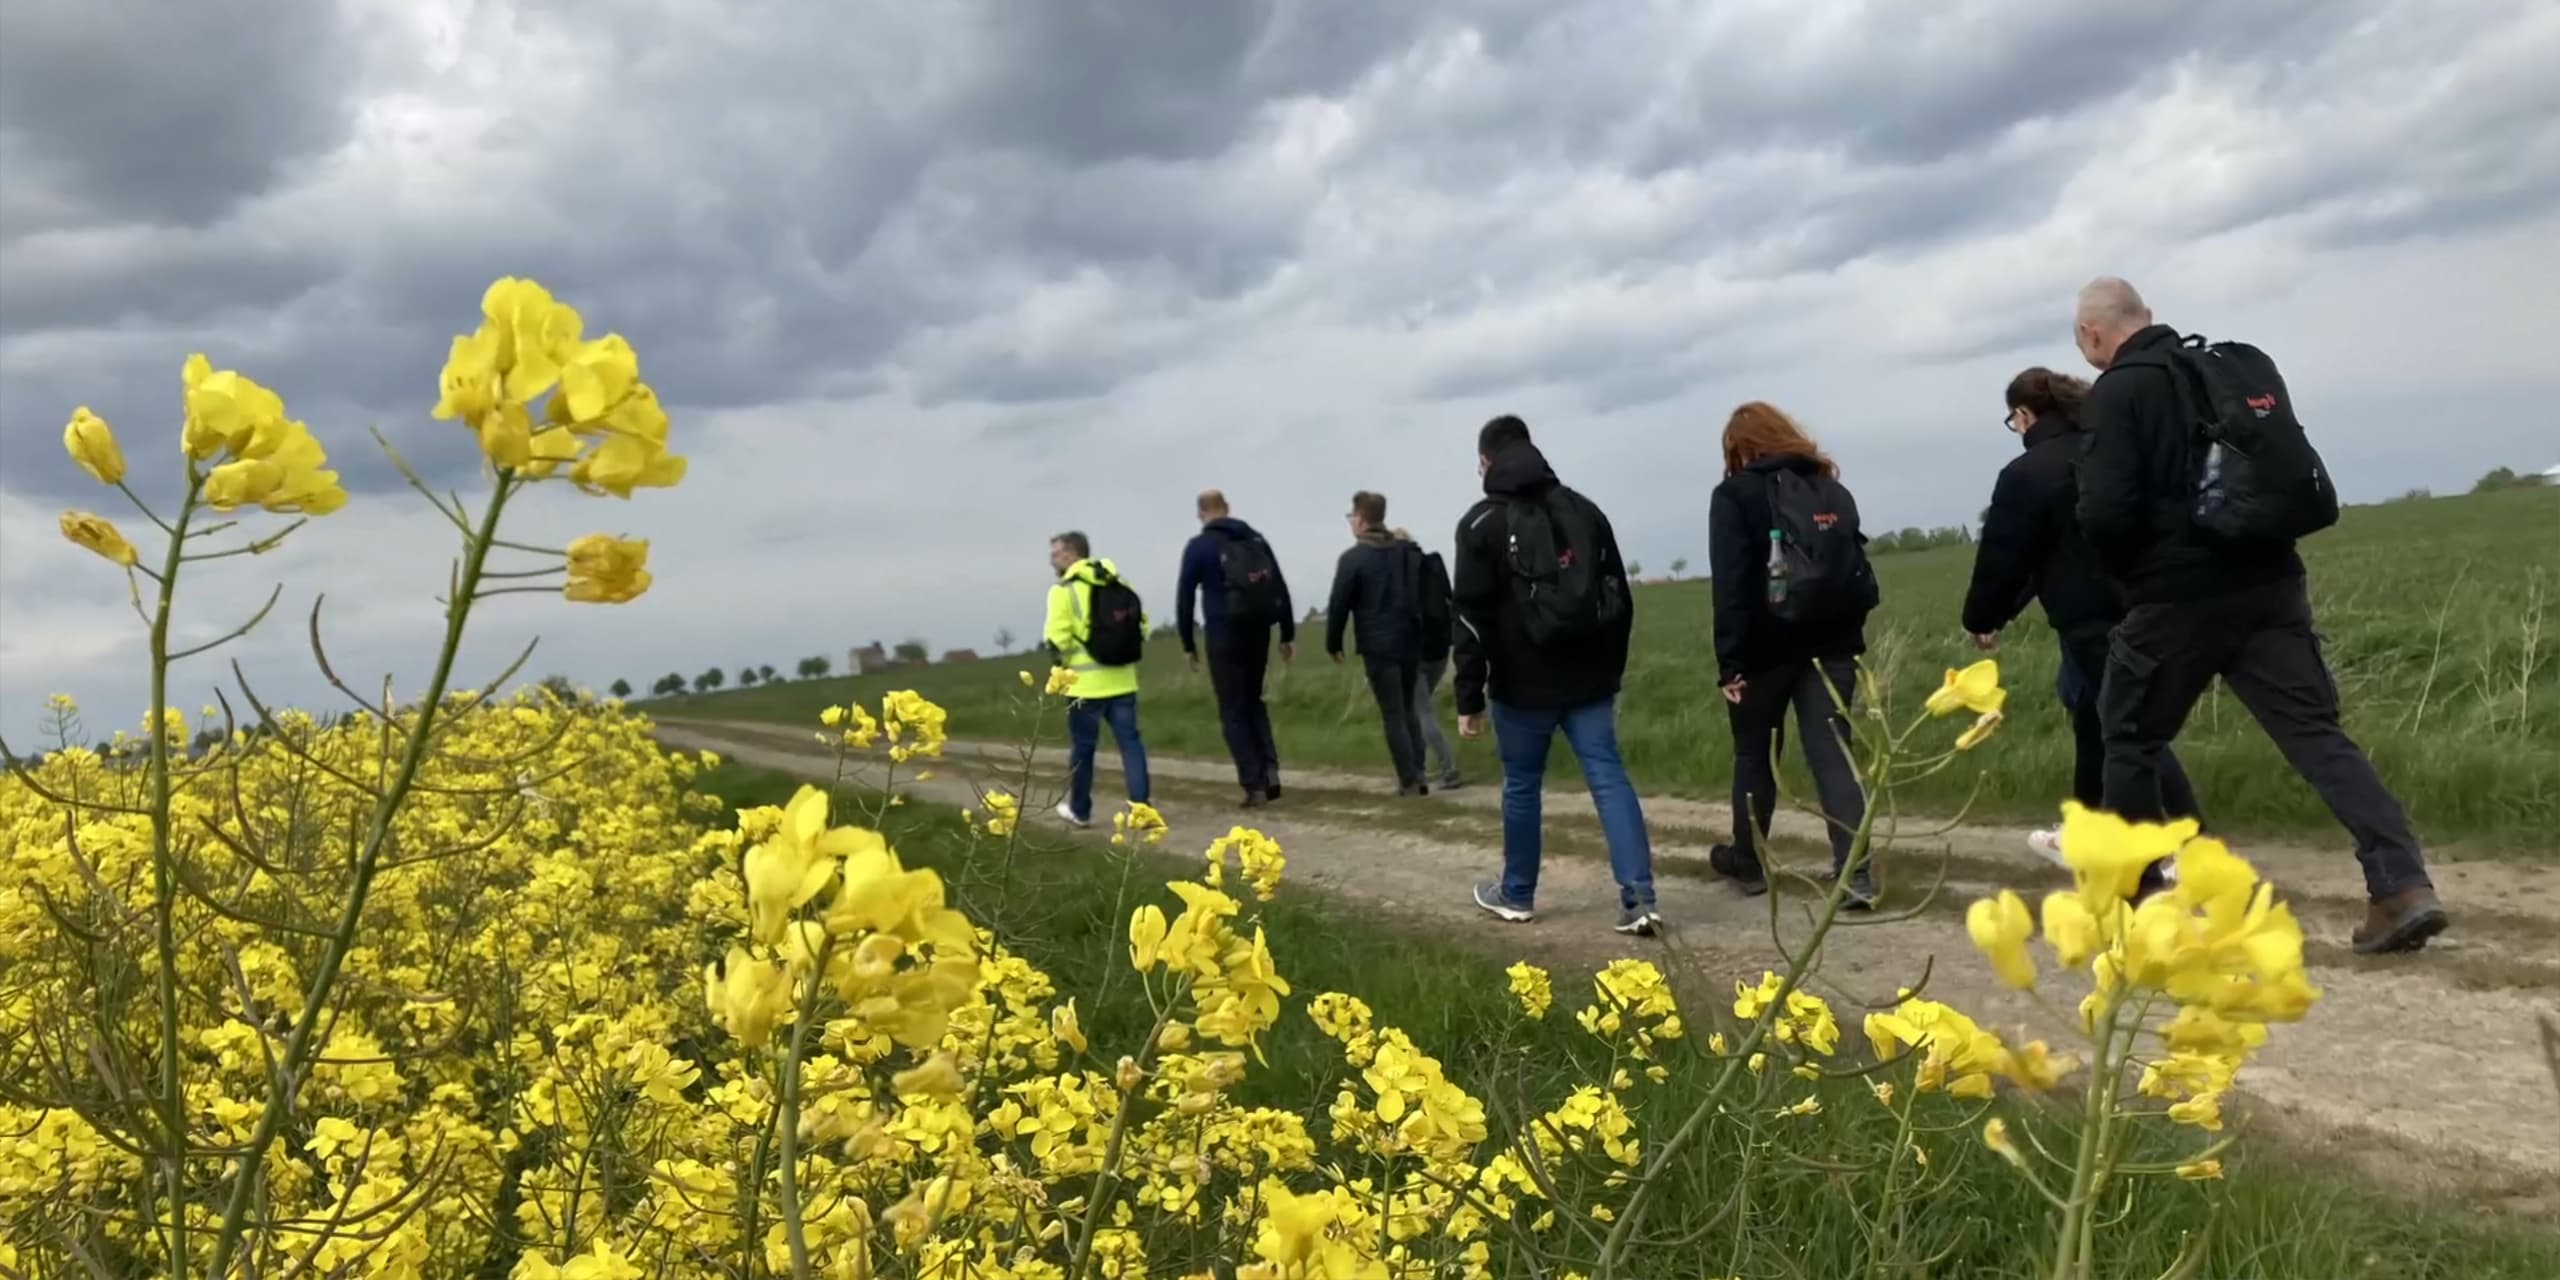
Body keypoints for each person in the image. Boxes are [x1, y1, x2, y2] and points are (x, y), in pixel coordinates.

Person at [2071, 276, 2446, 952]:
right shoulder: (2224, 369)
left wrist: (2134, 579)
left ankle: (2146, 904)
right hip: (2271, 583)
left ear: (2091, 337)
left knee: (2127, 738)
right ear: (2148, 317)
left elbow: (2103, 512)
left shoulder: (2118, 393)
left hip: (2175, 599)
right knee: (2318, 737)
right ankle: (2402, 887)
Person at [1962, 367, 2200, 861]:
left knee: (2133, 728)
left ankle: (2191, 847)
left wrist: (1983, 617)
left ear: (2025, 414)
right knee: (2094, 723)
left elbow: (2006, 557)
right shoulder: (2106, 452)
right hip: (2146, 602)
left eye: (2013, 420)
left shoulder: (2026, 475)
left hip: (2089, 619)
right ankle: (2084, 834)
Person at [1453, 416, 1660, 936]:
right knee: (1608, 775)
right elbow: (1620, 598)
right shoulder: (1584, 511)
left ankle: (1517, 894)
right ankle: (1640, 900)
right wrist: (1611, 669)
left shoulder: (1480, 524)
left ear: (1485, 462)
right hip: (1590, 678)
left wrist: (1468, 697)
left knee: (1522, 785)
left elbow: (1470, 621)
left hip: (1521, 687)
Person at [1706, 403, 1880, 908]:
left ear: (1741, 448)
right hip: (1834, 646)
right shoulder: (1832, 488)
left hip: (1763, 652)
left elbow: (1732, 585)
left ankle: (1750, 862)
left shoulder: (1736, 496)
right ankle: (1857, 877)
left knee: (1755, 756)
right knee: (1835, 759)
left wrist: (1730, 663)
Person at [1176, 489, 1296, 807]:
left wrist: (1188, 643)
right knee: (1254, 701)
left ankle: (1254, 784)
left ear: (1201, 514)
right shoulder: (1255, 539)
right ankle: (1270, 770)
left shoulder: (1199, 547)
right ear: (1227, 509)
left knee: (1233, 709)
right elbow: (1278, 584)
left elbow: (1185, 597)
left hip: (1223, 634)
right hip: (1259, 631)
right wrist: (1287, 633)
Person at [1043, 531, 1151, 827]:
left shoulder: (1063, 590)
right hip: (1124, 681)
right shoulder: (1119, 583)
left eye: (1055, 553)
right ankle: (1142, 812)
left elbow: (1058, 638)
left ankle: (1080, 811)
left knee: (1083, 750)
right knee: (1131, 745)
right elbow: (1143, 625)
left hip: (1084, 687)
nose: (1051, 559)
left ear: (1071, 554)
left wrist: (1062, 663)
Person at [1325, 492, 1430, 795]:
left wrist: (1333, 642)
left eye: (1351, 517)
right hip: (1410, 639)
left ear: (1360, 518)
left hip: (1378, 645)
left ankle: (1408, 779)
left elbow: (1338, 604)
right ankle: (1420, 773)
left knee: (1393, 712)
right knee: (1408, 707)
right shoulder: (1403, 551)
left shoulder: (1353, 558)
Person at [1396, 526, 1466, 791]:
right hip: (1439, 649)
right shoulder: (1431, 566)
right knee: (1423, 709)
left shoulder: (1401, 574)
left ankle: (1448, 770)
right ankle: (1424, 767)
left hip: (1415, 652)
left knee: (1421, 712)